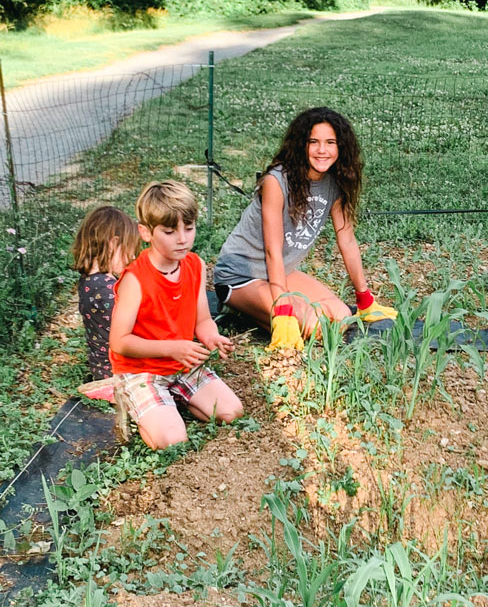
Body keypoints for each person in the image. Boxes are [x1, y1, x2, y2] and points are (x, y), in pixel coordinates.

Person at [213, 107, 396, 349]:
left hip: (281, 272)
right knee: (312, 325)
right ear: (301, 145)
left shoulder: (334, 182)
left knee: (341, 317)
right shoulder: (276, 182)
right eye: (314, 142)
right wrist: (284, 310)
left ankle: (259, 310)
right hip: (241, 274)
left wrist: (364, 300)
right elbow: (272, 252)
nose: (322, 150)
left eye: (330, 142)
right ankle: (241, 307)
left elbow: (347, 240)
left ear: (341, 147)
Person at [109, 180, 243, 450]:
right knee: (173, 441)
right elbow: (119, 342)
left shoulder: (195, 265)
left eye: (189, 228)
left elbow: (203, 320)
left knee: (231, 412)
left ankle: (168, 401)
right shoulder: (135, 279)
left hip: (180, 363)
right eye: (170, 231)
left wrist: (212, 337)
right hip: (141, 369)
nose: (183, 239)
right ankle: (136, 400)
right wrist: (173, 348)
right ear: (146, 232)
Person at [70, 206, 142, 400]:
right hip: (116, 371)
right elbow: (135, 330)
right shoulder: (107, 289)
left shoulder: (89, 281)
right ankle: (110, 389)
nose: (133, 257)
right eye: (130, 250)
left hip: (100, 366)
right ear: (113, 244)